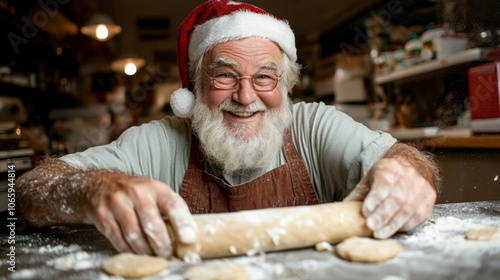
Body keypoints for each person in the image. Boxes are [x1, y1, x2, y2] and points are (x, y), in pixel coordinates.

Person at [18, 0, 439, 259]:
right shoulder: (159, 142)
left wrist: (409, 172)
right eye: (224, 76)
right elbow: (25, 190)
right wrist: (94, 189)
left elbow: (403, 158)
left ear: (284, 86)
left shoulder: (313, 127)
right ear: (196, 89)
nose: (245, 95)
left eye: (264, 78)